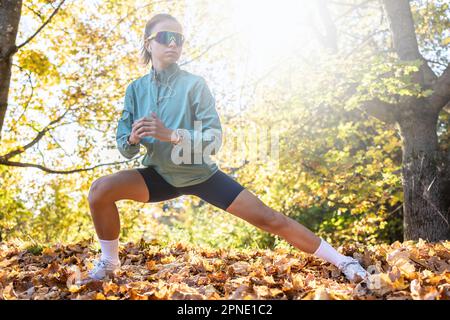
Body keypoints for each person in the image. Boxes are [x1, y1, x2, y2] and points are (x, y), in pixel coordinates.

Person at [87, 13, 368, 283]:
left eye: (179, 38)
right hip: (159, 175)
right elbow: (125, 147)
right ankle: (110, 263)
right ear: (149, 43)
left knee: (269, 218)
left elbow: (214, 139)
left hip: (202, 175)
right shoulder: (135, 90)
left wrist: (171, 135)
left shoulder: (194, 85)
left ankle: (343, 261)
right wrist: (133, 139)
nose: (173, 43)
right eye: (165, 36)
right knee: (100, 190)